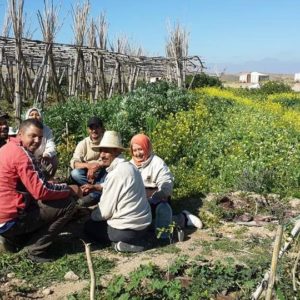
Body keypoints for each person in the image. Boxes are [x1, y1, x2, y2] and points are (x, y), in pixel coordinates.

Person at [0, 118, 81, 262]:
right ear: (20, 134)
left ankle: (17, 240)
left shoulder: (6, 149)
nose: (37, 140)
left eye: (40, 137)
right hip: (9, 220)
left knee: (44, 197)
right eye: (33, 136)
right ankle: (35, 250)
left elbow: (32, 185)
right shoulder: (22, 155)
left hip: (4, 216)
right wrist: (68, 189)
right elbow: (41, 191)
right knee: (68, 203)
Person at [82, 131, 152, 252]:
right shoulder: (130, 166)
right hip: (143, 225)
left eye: (106, 151)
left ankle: (119, 245)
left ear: (116, 151)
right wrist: (97, 187)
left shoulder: (116, 174)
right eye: (101, 151)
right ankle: (141, 238)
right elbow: (116, 186)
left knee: (89, 227)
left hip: (127, 230)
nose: (101, 155)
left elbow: (104, 212)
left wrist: (90, 214)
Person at [130, 133, 203, 238]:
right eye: (135, 150)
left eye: (140, 149)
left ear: (147, 147)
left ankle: (183, 219)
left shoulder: (157, 163)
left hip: (156, 202)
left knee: (148, 225)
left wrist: (150, 196)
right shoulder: (129, 165)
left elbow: (166, 187)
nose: (137, 153)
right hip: (137, 203)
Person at [70, 116, 106, 206]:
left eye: (97, 127)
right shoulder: (83, 143)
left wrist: (97, 166)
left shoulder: (106, 141)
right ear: (88, 130)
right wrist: (88, 166)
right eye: (91, 128)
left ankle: (93, 193)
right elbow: (74, 162)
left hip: (102, 171)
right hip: (87, 175)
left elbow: (112, 158)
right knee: (75, 173)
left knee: (110, 172)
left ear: (101, 128)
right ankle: (96, 189)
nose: (94, 130)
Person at [25, 107, 58, 180]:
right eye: (32, 114)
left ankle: (47, 179)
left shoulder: (47, 130)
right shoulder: (23, 129)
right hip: (26, 157)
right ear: (27, 117)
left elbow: (51, 145)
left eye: (37, 114)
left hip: (42, 158)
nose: (34, 117)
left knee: (54, 159)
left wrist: (47, 154)